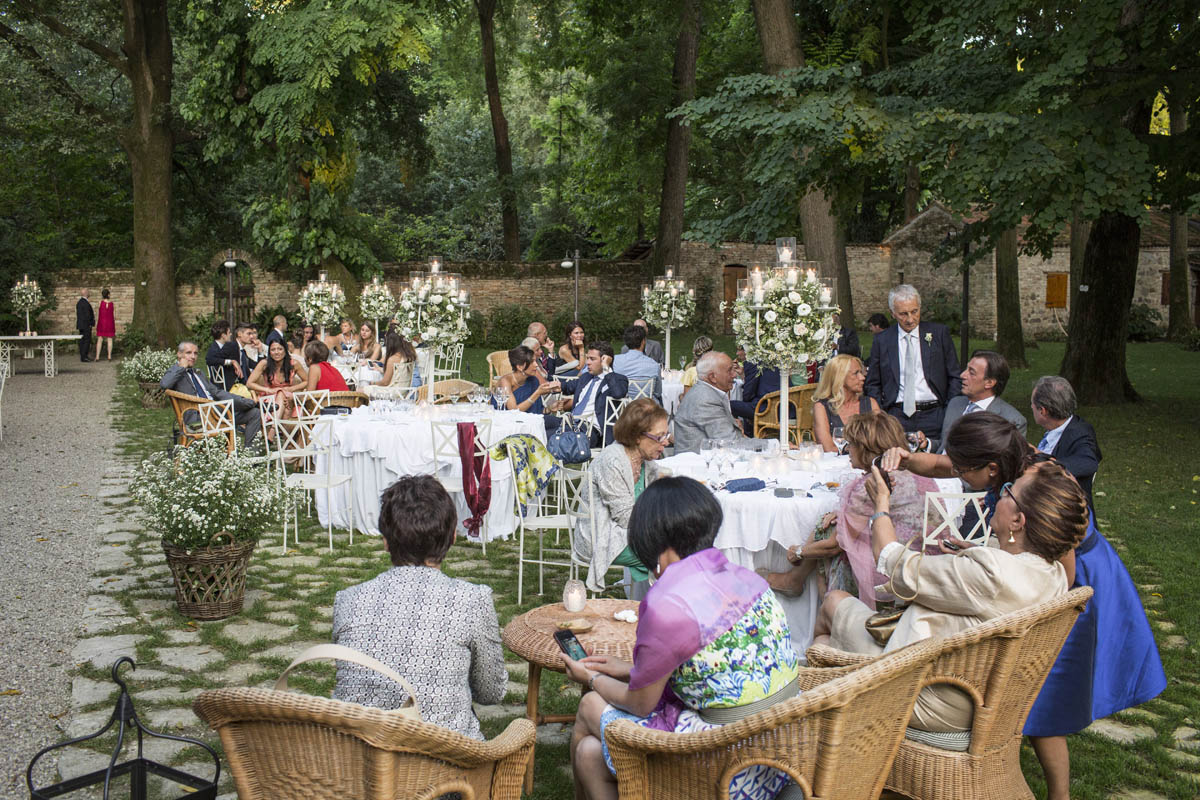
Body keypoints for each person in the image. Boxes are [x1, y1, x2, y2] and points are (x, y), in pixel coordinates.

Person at [812, 458, 1088, 739]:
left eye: (1007, 491)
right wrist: (970, 553)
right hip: (974, 696)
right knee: (828, 640)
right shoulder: (1053, 574)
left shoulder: (990, 572)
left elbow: (894, 564)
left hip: (926, 694)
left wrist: (880, 506)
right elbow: (997, 580)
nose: (1000, 495)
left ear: (1018, 520)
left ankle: (831, 747)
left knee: (831, 606)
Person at [562, 477, 800, 800]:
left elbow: (640, 703)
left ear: (657, 546)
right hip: (784, 749)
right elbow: (711, 663)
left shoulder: (667, 602)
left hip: (726, 768)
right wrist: (630, 670)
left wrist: (590, 678)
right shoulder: (746, 579)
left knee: (591, 706)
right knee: (589, 754)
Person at [332, 475, 507, 739]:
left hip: (361, 762)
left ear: (385, 541)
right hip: (446, 764)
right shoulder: (472, 601)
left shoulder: (348, 601)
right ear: (452, 538)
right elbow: (491, 692)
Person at [769, 412, 941, 611]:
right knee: (835, 521)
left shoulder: (872, 484)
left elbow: (833, 546)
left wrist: (797, 552)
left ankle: (825, 613)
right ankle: (797, 584)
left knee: (827, 532)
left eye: (851, 444)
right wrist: (843, 515)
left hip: (892, 572)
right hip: (928, 564)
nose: (847, 449)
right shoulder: (921, 474)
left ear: (865, 448)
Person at [575, 398, 667, 596]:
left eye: (666, 435)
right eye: (659, 437)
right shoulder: (613, 460)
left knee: (682, 542)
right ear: (636, 437)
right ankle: (656, 610)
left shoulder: (646, 463)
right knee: (670, 554)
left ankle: (649, 605)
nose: (666, 442)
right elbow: (626, 517)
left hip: (628, 533)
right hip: (601, 536)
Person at [864, 284, 961, 440]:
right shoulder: (883, 340)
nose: (910, 319)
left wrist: (948, 409)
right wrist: (882, 412)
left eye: (914, 312)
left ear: (920, 308)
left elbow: (955, 375)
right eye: (903, 314)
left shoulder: (939, 333)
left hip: (935, 414)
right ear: (892, 313)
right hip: (896, 416)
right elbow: (873, 382)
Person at [160, 341, 263, 446]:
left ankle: (251, 454)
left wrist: (241, 401)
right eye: (188, 353)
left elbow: (216, 392)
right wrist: (181, 368)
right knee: (233, 405)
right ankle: (255, 403)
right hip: (198, 419)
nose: (193, 356)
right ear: (179, 354)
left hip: (214, 413)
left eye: (195, 353)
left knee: (254, 413)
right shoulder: (175, 372)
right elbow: (164, 384)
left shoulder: (198, 373)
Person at [925, 349, 1027, 454]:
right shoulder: (955, 403)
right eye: (966, 369)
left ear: (989, 383)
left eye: (971, 373)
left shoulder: (1011, 421)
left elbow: (1008, 463)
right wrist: (927, 444)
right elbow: (944, 446)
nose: (962, 375)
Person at [1031, 376, 1101, 507]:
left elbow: (1089, 462)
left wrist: (1041, 466)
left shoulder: (1080, 432)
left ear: (1043, 411)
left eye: (1032, 404)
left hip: (1060, 513)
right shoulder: (1057, 429)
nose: (1031, 407)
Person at [673, 351, 762, 454]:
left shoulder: (705, 392)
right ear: (712, 377)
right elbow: (730, 443)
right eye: (729, 371)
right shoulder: (706, 400)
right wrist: (771, 446)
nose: (734, 375)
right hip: (699, 465)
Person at [558, 341, 629, 446]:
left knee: (550, 435)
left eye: (592, 359)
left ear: (605, 360)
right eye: (587, 358)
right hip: (570, 422)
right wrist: (553, 386)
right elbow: (567, 387)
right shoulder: (586, 377)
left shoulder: (617, 379)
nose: (587, 363)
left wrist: (607, 369)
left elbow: (618, 393)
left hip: (589, 430)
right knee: (542, 422)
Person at [811, 354, 880, 453]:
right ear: (840, 377)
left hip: (867, 464)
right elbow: (828, 448)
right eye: (856, 373)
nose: (862, 377)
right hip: (835, 465)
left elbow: (882, 440)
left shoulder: (870, 403)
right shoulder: (822, 407)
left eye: (861, 372)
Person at [246, 339, 306, 420]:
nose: (276, 352)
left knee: (283, 396)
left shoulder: (294, 364)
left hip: (288, 396)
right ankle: (275, 429)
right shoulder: (264, 363)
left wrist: (292, 388)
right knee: (281, 395)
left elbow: (307, 381)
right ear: (269, 352)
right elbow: (249, 384)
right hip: (269, 397)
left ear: (285, 350)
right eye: (273, 349)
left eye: (280, 349)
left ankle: (274, 430)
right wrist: (267, 389)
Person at [498, 345, 561, 419]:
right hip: (508, 423)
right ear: (520, 367)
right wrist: (537, 393)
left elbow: (538, 412)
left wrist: (550, 408)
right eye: (532, 362)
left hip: (530, 421)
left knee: (561, 423)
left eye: (535, 361)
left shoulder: (533, 380)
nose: (536, 365)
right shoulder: (505, 381)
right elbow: (514, 411)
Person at [611, 325, 661, 404]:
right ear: (643, 341)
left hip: (623, 408)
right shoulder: (654, 365)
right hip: (647, 408)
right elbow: (658, 392)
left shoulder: (615, 361)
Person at [205, 320, 241, 388]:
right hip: (222, 385)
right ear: (223, 335)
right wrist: (231, 361)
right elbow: (209, 359)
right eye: (229, 332)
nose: (231, 334)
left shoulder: (228, 346)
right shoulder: (214, 349)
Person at [92, 288, 116, 361]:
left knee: (100, 339)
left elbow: (98, 313)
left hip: (102, 322)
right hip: (110, 323)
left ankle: (97, 356)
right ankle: (109, 356)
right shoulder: (112, 303)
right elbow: (114, 314)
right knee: (110, 339)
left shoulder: (100, 303)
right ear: (108, 294)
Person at [76, 288, 95, 362]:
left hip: (81, 325)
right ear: (86, 293)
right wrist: (90, 323)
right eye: (88, 292)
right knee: (87, 340)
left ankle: (83, 355)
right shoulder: (85, 303)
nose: (89, 293)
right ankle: (84, 356)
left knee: (82, 340)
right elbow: (88, 315)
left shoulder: (79, 302)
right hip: (86, 325)